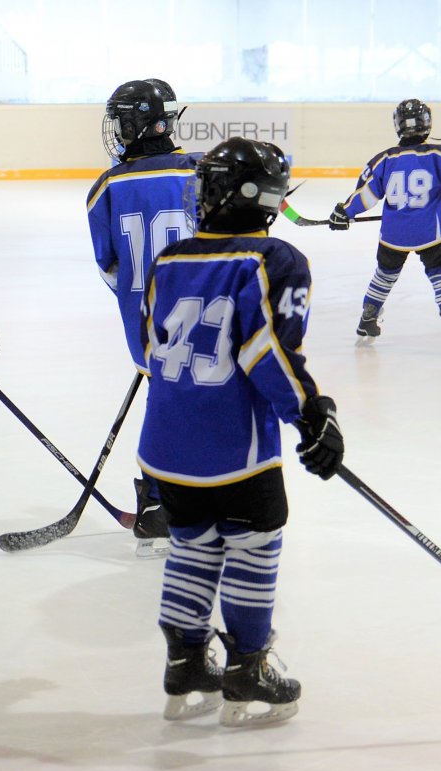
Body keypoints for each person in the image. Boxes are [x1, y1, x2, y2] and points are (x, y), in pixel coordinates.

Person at [141, 138, 342, 729]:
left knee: (191, 545)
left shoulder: (169, 260)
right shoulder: (276, 260)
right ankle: (247, 667)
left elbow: (153, 343)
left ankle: (185, 662)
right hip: (236, 451)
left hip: (166, 446)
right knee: (254, 546)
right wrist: (311, 411)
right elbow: (267, 352)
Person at [86, 78, 197, 558]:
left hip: (145, 328)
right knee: (208, 406)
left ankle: (158, 505)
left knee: (168, 406)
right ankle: (183, 501)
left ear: (136, 124)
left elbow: (108, 265)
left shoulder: (105, 188)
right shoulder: (200, 172)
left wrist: (141, 306)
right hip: (208, 318)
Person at [329, 99, 441, 347]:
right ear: (428, 124)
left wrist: (345, 212)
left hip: (393, 234)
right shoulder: (440, 154)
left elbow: (366, 194)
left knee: (384, 275)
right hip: (430, 232)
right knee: (440, 272)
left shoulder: (383, 160)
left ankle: (368, 319)